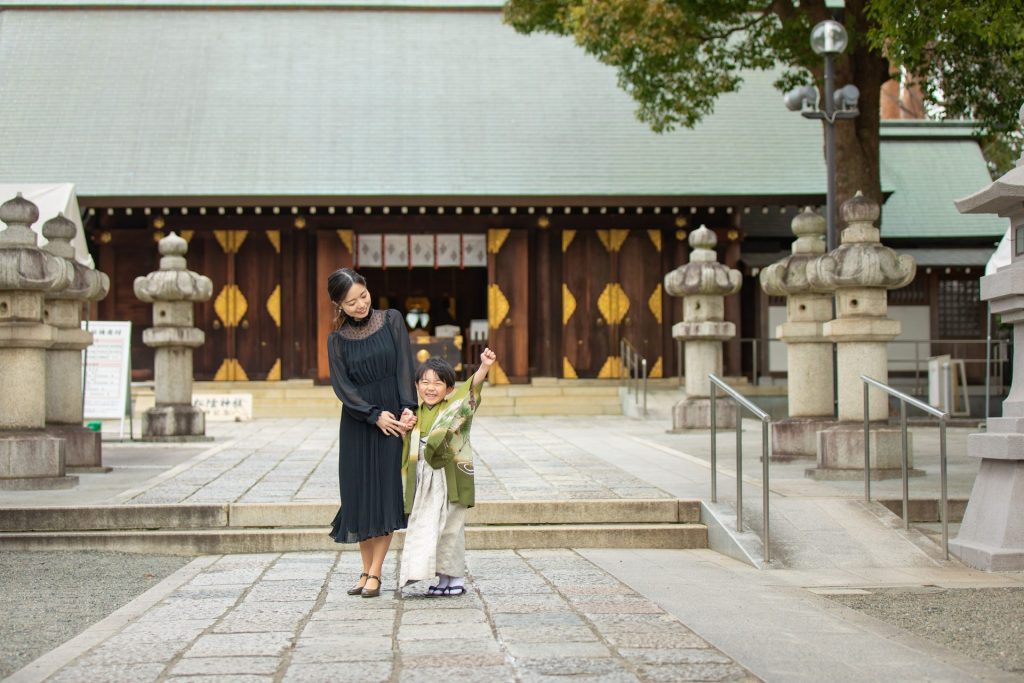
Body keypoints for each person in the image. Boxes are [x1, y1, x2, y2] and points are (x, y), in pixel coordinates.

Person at [326, 267, 418, 598]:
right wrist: (372, 414)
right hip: (359, 421)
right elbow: (343, 388)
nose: (361, 305)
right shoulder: (336, 340)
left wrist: (408, 408)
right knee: (359, 496)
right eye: (351, 302)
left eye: (363, 296)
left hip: (392, 419)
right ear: (339, 305)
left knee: (384, 495)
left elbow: (404, 366)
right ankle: (365, 570)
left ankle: (376, 572)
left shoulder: (392, 320)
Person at [398, 347, 496, 596]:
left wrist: (484, 367)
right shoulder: (415, 414)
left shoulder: (453, 408)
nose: (430, 388)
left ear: (450, 389)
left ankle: (456, 578)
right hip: (424, 477)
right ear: (416, 386)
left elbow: (470, 392)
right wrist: (404, 427)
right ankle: (442, 578)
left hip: (448, 475)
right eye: (425, 382)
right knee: (429, 527)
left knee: (451, 526)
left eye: (438, 383)